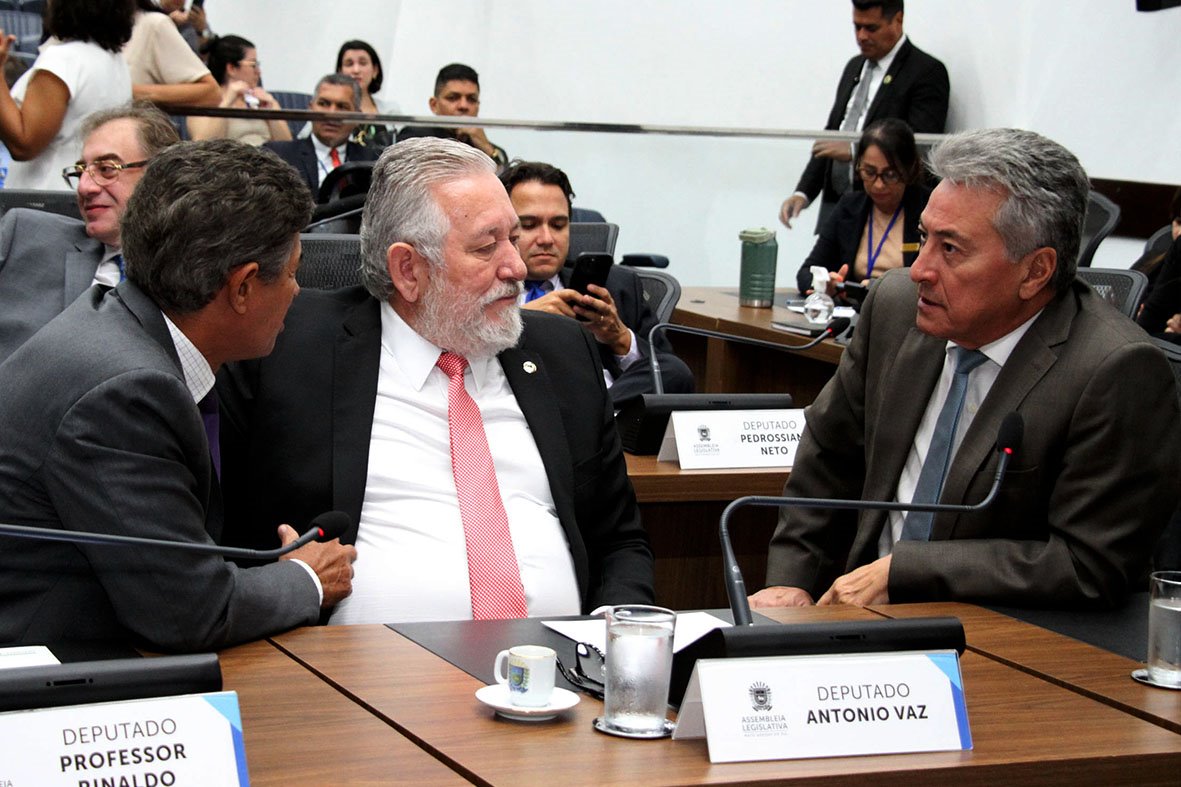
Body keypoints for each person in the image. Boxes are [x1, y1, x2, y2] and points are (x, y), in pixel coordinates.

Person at [218, 137, 654, 624]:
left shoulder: (562, 352)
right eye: (486, 247)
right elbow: (215, 537)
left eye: (513, 238)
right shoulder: (284, 347)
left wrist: (614, 635)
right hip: (352, 665)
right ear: (408, 270)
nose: (516, 267)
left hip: (557, 661)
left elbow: (619, 541)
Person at [752, 128, 1181, 611]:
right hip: (856, 616)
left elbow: (1089, 564)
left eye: (951, 249)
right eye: (923, 238)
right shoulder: (896, 307)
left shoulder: (1115, 370)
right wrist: (792, 581)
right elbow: (829, 457)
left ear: (1035, 271)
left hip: (998, 633)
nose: (920, 270)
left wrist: (907, 571)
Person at [0, 138, 357, 651]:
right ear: (242, 287)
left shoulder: (116, 324)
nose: (297, 291)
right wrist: (307, 579)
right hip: (54, 675)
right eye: (293, 273)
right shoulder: (126, 392)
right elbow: (186, 613)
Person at [501, 160, 694, 405]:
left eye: (559, 225)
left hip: (610, 405)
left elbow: (665, 372)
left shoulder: (616, 285)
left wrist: (619, 337)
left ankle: (596, 418)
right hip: (525, 406)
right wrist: (522, 319)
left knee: (674, 371)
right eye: (529, 225)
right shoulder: (481, 288)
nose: (547, 239)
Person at [0, 103, 179, 365]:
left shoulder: (195, 272)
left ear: (160, 174)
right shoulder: (24, 234)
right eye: (81, 171)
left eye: (106, 169)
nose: (84, 187)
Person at [779, 0, 948, 231]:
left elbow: (919, 146)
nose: (861, 36)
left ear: (897, 20)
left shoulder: (926, 71)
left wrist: (854, 151)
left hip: (887, 215)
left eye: (871, 28)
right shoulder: (854, 66)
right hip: (837, 210)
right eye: (857, 27)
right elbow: (832, 134)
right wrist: (803, 192)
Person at [0, 0, 133, 191]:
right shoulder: (115, 60)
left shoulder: (63, 60)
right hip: (88, 189)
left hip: (44, 197)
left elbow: (23, 146)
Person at [796, 118, 930, 296]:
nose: (878, 185)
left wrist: (879, 287)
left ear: (909, 169)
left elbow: (933, 282)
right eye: (869, 172)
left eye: (890, 175)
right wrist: (826, 282)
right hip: (853, 308)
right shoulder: (849, 207)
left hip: (904, 309)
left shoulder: (929, 209)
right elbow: (805, 273)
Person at [264, 74, 378, 200]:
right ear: (310, 109)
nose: (331, 114)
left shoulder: (373, 161)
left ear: (357, 116)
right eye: (324, 104)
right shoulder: (278, 155)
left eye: (341, 107)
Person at [396, 63, 507, 171]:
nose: (463, 106)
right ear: (434, 105)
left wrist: (486, 148)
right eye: (453, 98)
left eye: (471, 99)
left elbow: (504, 179)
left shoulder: (492, 151)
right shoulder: (415, 137)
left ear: (478, 105)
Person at [187, 34, 290, 145]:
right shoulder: (205, 103)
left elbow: (287, 146)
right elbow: (202, 147)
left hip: (268, 155)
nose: (258, 72)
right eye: (253, 65)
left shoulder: (264, 99)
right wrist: (227, 102)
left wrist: (270, 110)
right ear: (231, 68)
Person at [125, 0, 220, 111]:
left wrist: (201, 30)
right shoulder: (156, 21)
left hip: (175, 103)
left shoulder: (155, 23)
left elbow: (211, 90)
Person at [336, 39, 400, 149]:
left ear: (375, 70)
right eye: (349, 64)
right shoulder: (329, 110)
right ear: (340, 71)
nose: (356, 70)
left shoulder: (391, 111)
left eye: (363, 63)